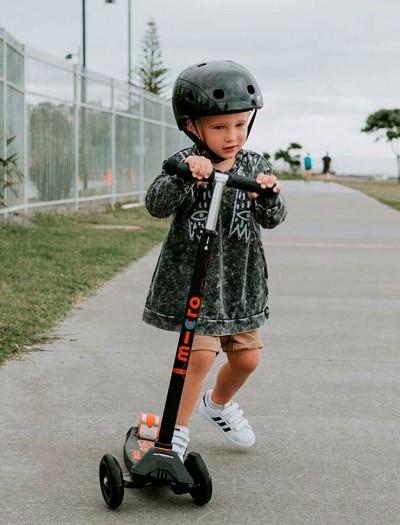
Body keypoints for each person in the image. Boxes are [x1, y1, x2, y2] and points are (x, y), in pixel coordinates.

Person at [142, 60, 287, 459]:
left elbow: (273, 219)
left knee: (248, 359)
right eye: (220, 127)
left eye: (240, 125)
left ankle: (216, 405)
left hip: (238, 283)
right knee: (200, 357)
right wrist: (184, 176)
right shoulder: (185, 163)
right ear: (193, 127)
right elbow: (156, 204)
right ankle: (175, 431)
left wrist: (268, 197)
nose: (232, 136)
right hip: (198, 280)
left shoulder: (255, 165)